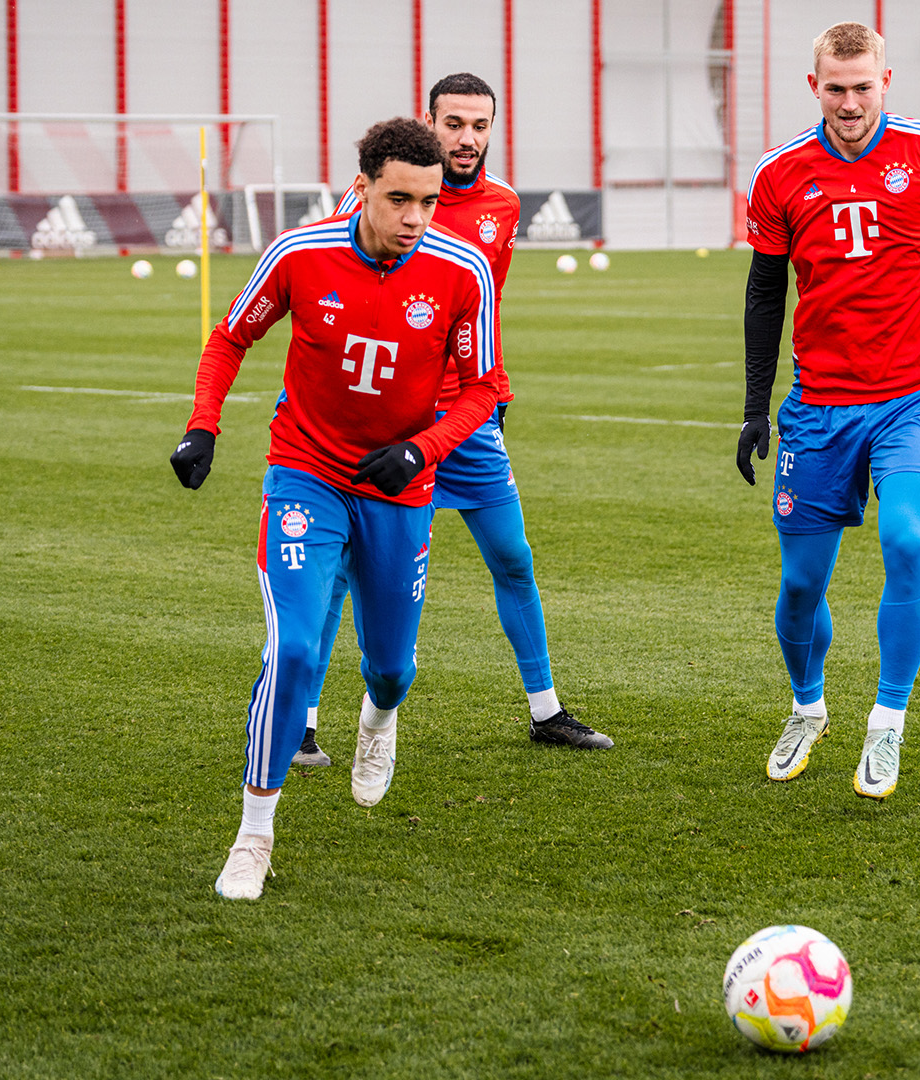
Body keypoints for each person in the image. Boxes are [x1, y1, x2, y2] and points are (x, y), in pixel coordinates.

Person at [169, 117, 500, 900]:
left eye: (427, 201)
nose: (416, 217)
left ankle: (378, 723)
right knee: (294, 651)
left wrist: (423, 450)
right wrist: (203, 426)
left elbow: (484, 387)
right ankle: (254, 835)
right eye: (398, 200)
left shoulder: (463, 270)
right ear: (362, 189)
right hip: (305, 474)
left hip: (399, 486)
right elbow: (229, 339)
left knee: (391, 667)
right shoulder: (299, 253)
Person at [297, 73, 609, 768]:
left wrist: (485, 401)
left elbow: (481, 313)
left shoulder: (503, 206)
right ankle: (304, 723)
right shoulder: (374, 196)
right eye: (455, 124)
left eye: (480, 125)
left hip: (467, 423)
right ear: (429, 122)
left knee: (513, 558)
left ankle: (546, 710)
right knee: (346, 569)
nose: (468, 138)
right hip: (388, 419)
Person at [739, 21, 920, 800]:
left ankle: (886, 723)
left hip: (916, 397)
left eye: (864, 86)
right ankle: (807, 707)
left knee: (906, 540)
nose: (851, 101)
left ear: (886, 81)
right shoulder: (779, 174)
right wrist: (755, 406)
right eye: (837, 87)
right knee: (800, 587)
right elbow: (765, 292)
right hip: (820, 406)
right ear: (814, 86)